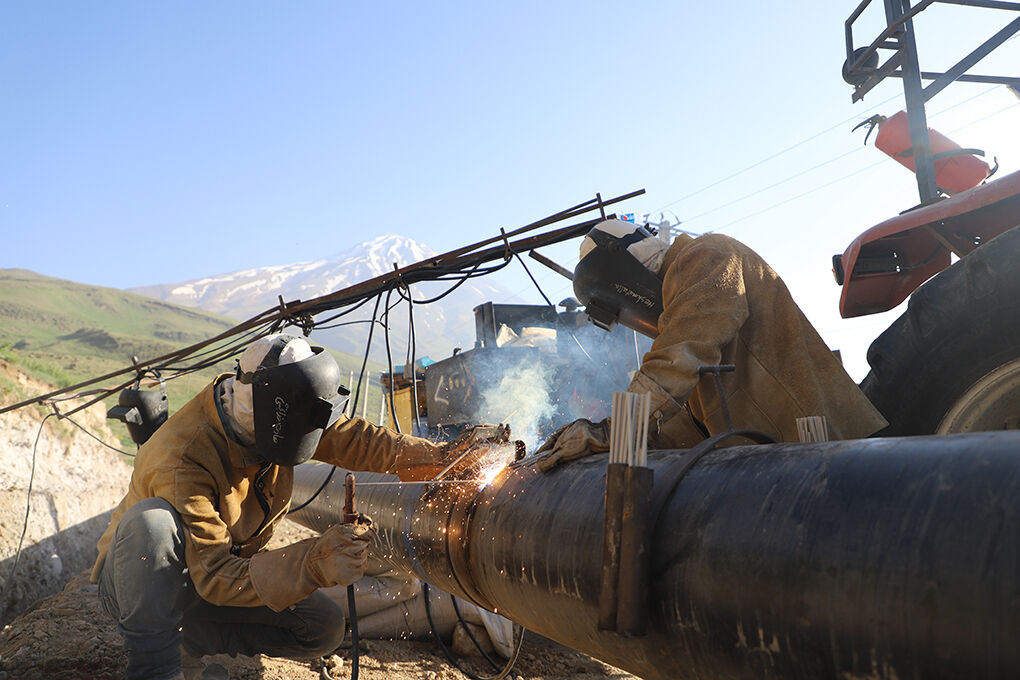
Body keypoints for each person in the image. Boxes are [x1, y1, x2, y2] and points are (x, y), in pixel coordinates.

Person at [92, 333, 485, 680]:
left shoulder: (273, 416)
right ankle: (155, 665)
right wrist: (314, 562)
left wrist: (441, 459)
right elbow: (213, 573)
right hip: (143, 582)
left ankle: (189, 641)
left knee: (322, 627)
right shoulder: (184, 458)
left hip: (209, 581)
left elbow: (353, 440)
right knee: (154, 523)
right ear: (272, 415)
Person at [535, 219, 887, 469]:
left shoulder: (707, 256)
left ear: (623, 276)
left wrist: (610, 432)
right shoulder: (682, 308)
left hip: (826, 453)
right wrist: (626, 442)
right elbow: (693, 426)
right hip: (782, 460)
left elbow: (678, 359)